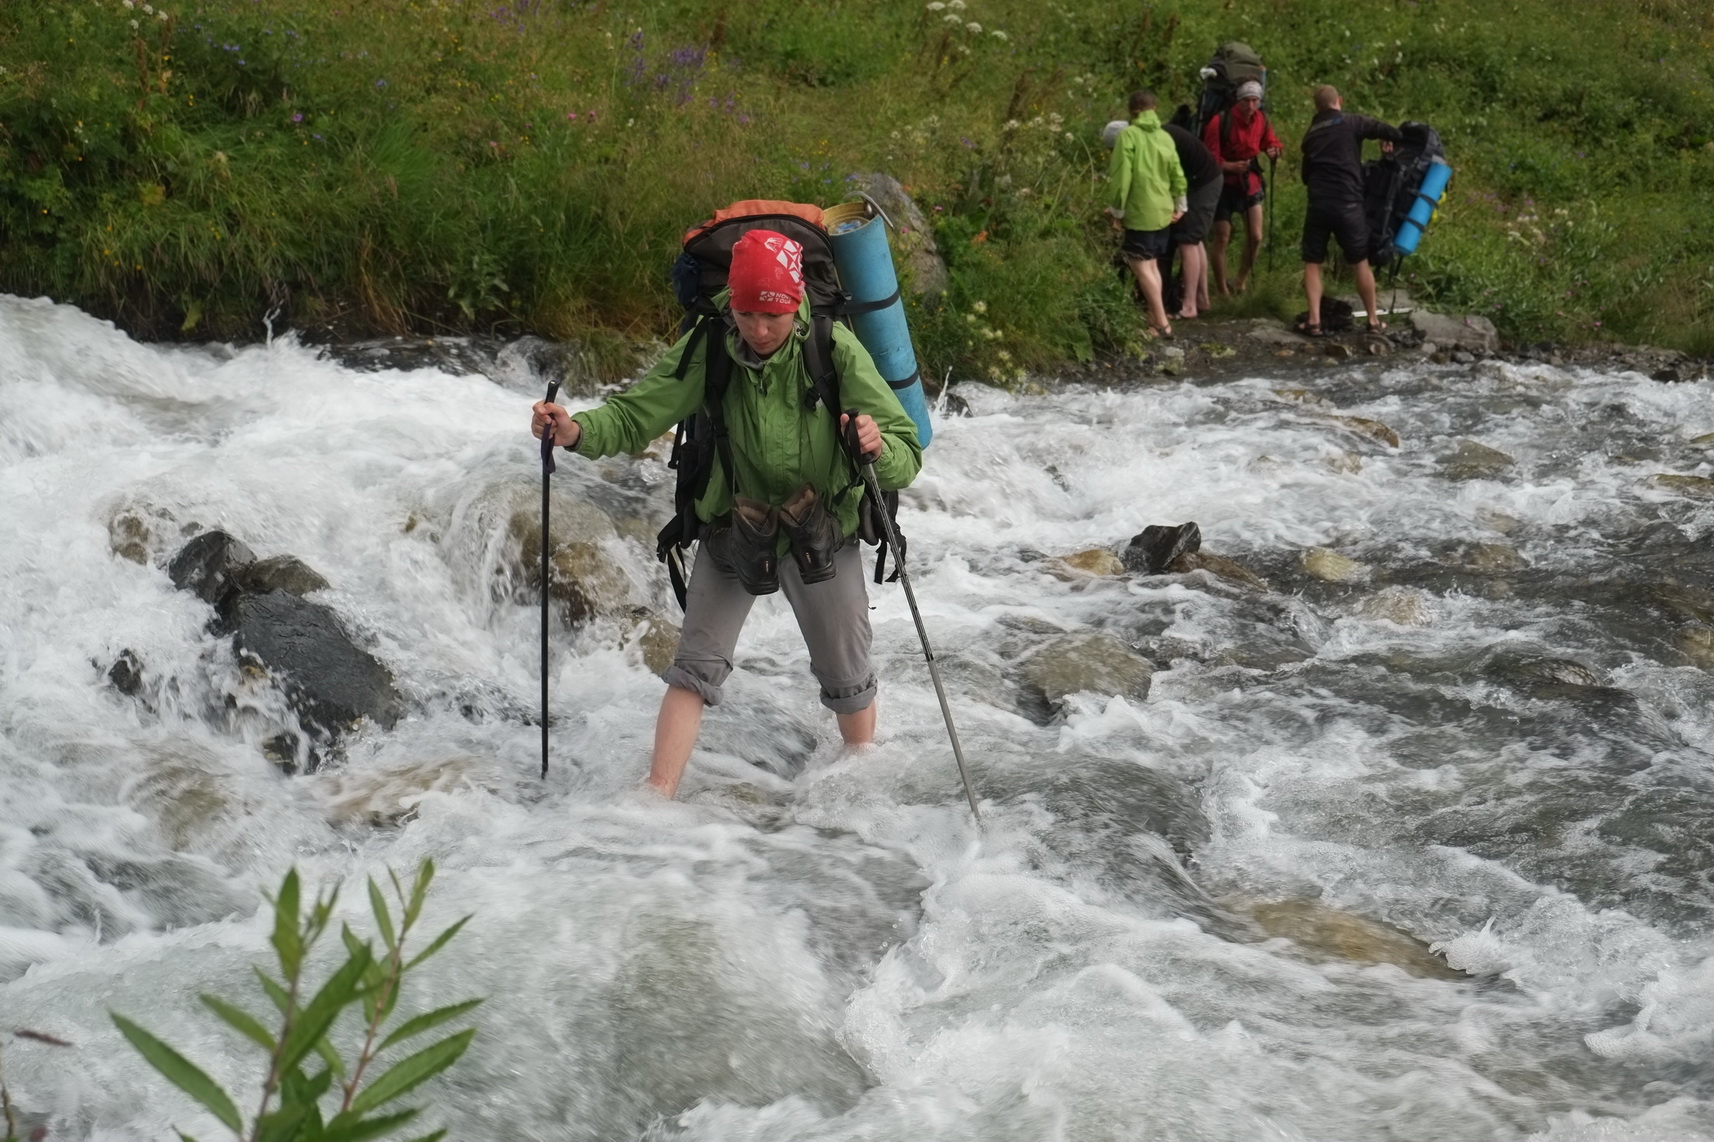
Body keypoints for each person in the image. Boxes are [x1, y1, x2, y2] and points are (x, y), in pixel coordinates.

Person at [531, 229, 923, 799]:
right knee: (694, 666)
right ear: (731, 305)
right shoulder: (710, 345)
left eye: (774, 316)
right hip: (734, 524)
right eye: (746, 314)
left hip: (821, 528)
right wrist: (573, 431)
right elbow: (636, 415)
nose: (760, 330)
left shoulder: (832, 347)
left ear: (795, 305)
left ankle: (861, 793)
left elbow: (906, 455)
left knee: (848, 678)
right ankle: (653, 798)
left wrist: (874, 444)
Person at [1297, 84, 1405, 336]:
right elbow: (1390, 131)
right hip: (1348, 204)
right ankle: (1373, 321)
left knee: (1313, 262)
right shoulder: (1352, 121)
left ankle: (1314, 321)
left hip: (1318, 204)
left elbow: (1305, 176)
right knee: (1360, 262)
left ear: (1316, 107)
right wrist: (1388, 141)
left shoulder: (1310, 135)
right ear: (1339, 101)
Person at [1106, 89, 1187, 340]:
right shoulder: (1165, 136)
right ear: (1155, 108)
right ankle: (1154, 317)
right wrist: (1180, 204)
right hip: (1163, 210)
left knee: (1140, 266)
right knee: (1151, 264)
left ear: (1132, 111)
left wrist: (1116, 211)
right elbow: (1177, 171)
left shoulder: (1128, 135)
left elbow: (1122, 178)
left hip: (1140, 210)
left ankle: (1162, 323)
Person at [1202, 79, 1282, 297]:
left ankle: (1240, 281)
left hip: (1249, 181)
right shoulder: (1220, 122)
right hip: (1223, 185)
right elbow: (1209, 157)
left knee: (1256, 236)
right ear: (1239, 100)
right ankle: (1222, 290)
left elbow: (1269, 141)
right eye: (1246, 100)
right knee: (1222, 236)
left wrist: (1274, 150)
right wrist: (1228, 166)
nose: (1251, 105)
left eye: (1255, 100)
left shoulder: (1261, 119)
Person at [1163, 106, 1222, 320]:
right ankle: (1202, 299)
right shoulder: (1160, 134)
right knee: (1195, 240)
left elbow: (1170, 178)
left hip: (1204, 182)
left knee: (1188, 240)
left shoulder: (1158, 140)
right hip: (1205, 178)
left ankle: (1189, 306)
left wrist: (1177, 206)